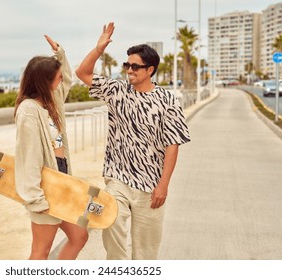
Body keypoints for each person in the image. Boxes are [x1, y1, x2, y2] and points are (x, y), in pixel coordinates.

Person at [75, 22, 191, 260]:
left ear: (150, 70)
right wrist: (98, 49)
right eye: (127, 65)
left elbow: (173, 144)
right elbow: (82, 74)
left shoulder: (167, 100)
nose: (129, 70)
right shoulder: (117, 91)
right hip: (118, 178)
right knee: (110, 220)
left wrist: (164, 185)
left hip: (151, 185)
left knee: (146, 251)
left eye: (135, 66)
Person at [14, 35, 88, 260]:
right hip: (44, 186)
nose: (60, 81)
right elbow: (29, 156)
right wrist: (36, 199)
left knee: (79, 236)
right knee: (40, 251)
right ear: (44, 81)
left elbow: (67, 79)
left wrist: (60, 54)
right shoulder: (28, 110)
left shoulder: (50, 103)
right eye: (55, 78)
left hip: (60, 178)